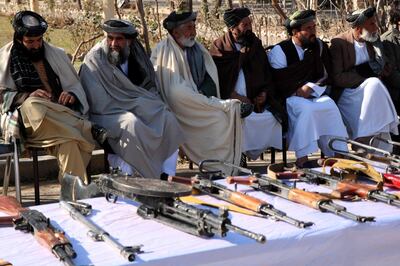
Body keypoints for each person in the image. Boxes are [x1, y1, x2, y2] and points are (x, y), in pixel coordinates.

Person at [0, 11, 105, 183]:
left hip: (59, 125)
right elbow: (1, 95)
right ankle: (87, 127)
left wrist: (70, 95)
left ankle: (72, 198)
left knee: (70, 143)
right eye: (30, 42)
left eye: (39, 40)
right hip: (30, 124)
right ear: (19, 39)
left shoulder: (55, 54)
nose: (36, 45)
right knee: (34, 104)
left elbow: (74, 85)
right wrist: (27, 96)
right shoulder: (4, 58)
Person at [151, 10, 253, 174]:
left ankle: (224, 167)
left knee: (222, 118)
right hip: (176, 107)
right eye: (189, 28)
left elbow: (210, 77)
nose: (193, 31)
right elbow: (173, 91)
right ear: (175, 32)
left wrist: (203, 92)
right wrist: (199, 98)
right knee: (216, 114)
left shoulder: (196, 48)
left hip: (199, 102)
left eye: (194, 26)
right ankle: (226, 107)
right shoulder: (163, 51)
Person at [80, 19, 184, 179]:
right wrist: (135, 105)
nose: (113, 43)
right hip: (105, 115)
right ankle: (140, 178)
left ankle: (168, 176)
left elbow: (149, 87)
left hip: (135, 106)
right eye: (110, 38)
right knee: (132, 123)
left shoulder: (137, 53)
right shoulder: (94, 59)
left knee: (167, 117)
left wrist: (142, 105)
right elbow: (98, 102)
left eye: (119, 39)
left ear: (129, 40)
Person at [268, 10, 348, 167]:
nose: (313, 32)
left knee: (330, 105)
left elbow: (327, 74)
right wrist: (298, 90)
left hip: (315, 93)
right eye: (309, 28)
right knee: (307, 110)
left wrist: (310, 88)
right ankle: (302, 158)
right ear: (295, 32)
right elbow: (279, 80)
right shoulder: (280, 51)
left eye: (314, 27)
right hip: (289, 97)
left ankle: (338, 155)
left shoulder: (318, 46)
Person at [210, 7, 282, 159]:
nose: (249, 28)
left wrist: (263, 93)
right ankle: (238, 156)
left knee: (271, 119)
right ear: (233, 28)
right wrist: (233, 95)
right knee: (240, 120)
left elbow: (266, 74)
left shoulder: (255, 44)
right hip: (230, 102)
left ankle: (250, 154)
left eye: (250, 24)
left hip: (256, 102)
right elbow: (217, 80)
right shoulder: (219, 47)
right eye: (245, 25)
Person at [330, 7, 399, 149]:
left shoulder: (372, 40)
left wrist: (383, 67)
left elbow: (382, 68)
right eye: (372, 24)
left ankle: (375, 146)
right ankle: (363, 138)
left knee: (375, 85)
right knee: (374, 83)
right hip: (348, 94)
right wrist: (365, 74)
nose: (376, 27)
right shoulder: (339, 42)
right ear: (359, 27)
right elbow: (337, 78)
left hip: (371, 94)